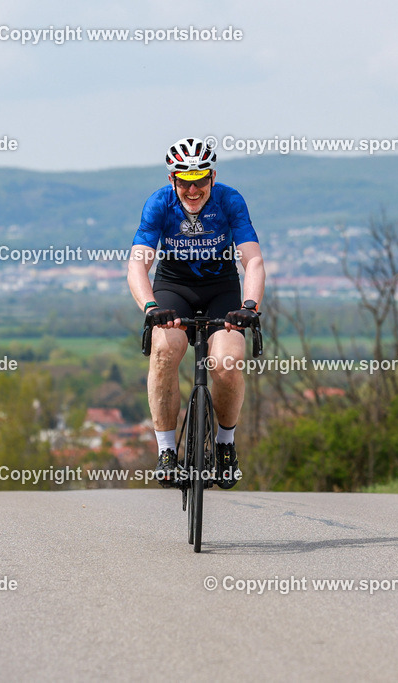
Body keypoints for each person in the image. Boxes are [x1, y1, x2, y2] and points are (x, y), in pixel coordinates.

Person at [128, 137, 265, 489]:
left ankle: (225, 443)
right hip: (174, 289)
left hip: (221, 289)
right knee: (164, 351)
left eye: (200, 180)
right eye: (184, 182)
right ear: (172, 180)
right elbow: (137, 264)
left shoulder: (230, 201)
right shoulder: (159, 203)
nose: (192, 190)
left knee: (227, 364)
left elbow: (252, 260)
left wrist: (250, 306)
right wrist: (151, 307)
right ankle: (166, 449)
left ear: (212, 177)